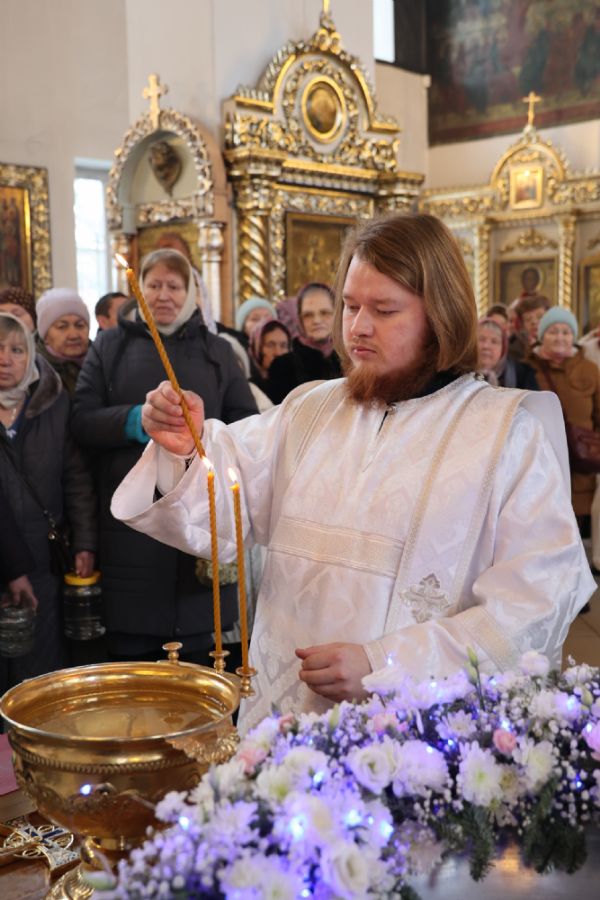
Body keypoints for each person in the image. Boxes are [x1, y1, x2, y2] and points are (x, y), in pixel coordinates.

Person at [112, 214, 594, 734]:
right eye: (350, 305)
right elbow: (227, 496)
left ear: (441, 315)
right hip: (283, 720)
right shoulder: (310, 409)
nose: (358, 327)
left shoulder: (506, 434)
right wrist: (186, 449)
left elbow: (536, 602)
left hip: (415, 741)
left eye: (384, 310)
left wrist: (384, 664)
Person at [72, 248, 258, 665]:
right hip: (131, 523)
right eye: (153, 284)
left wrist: (199, 436)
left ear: (190, 292)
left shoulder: (217, 351)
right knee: (135, 665)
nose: (163, 295)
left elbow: (246, 425)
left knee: (201, 663)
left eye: (174, 286)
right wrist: (136, 421)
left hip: (199, 512)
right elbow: (82, 420)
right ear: (138, 289)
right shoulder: (110, 347)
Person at [0, 313, 96, 689]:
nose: (5, 359)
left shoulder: (53, 404)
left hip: (43, 560)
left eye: (16, 350)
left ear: (31, 357)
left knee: (39, 678)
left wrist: (85, 542)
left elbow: (76, 478)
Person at [527, 306, 600, 530]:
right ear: (542, 336)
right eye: (553, 331)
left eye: (566, 332)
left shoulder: (589, 369)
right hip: (539, 463)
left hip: (581, 466)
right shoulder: (528, 368)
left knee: (579, 531)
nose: (560, 337)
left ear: (573, 337)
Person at [266, 282, 342, 404]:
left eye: (325, 313)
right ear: (299, 320)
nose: (317, 320)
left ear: (336, 315)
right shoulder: (283, 367)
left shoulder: (351, 361)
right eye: (308, 315)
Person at [36, 288, 91, 395]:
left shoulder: (103, 361)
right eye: (62, 327)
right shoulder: (33, 371)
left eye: (80, 325)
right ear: (45, 335)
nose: (73, 335)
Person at [477, 317, 538, 389]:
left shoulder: (522, 374)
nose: (486, 346)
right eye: (481, 339)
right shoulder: (464, 372)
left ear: (503, 348)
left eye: (494, 341)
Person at [248, 319, 291, 400]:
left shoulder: (298, 386)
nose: (278, 353)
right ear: (257, 348)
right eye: (270, 345)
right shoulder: (249, 388)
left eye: (283, 346)